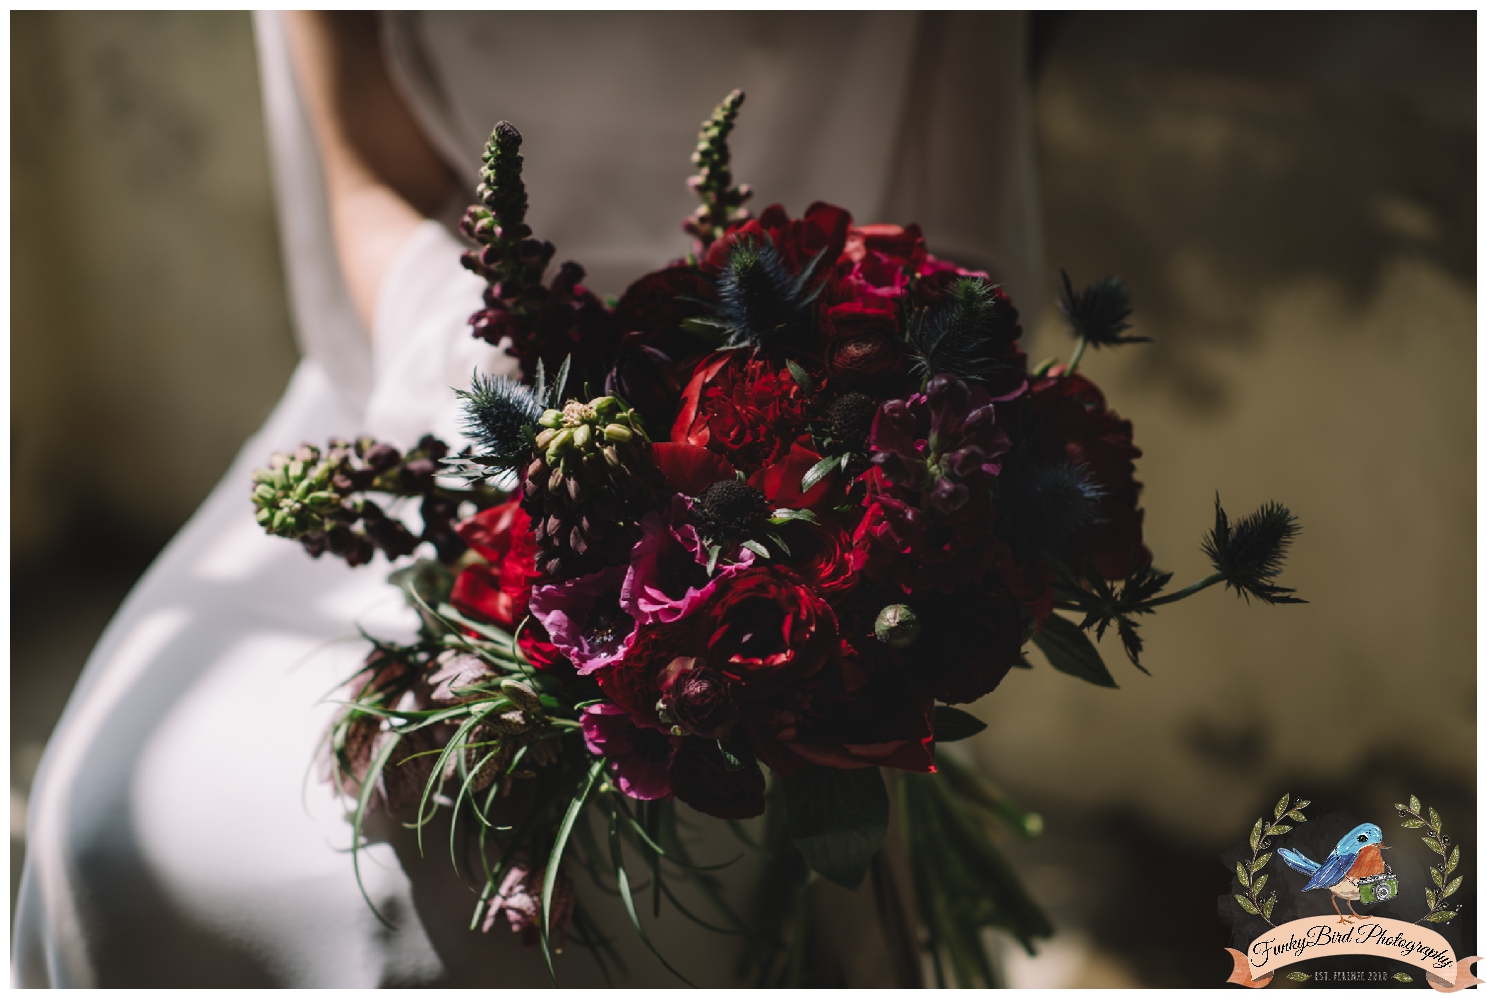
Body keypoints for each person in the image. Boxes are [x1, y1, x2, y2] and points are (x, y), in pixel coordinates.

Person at [13, 12, 1043, 986]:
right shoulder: (455, 385)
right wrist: (497, 403)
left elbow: (952, 249)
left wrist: (821, 458)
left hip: (796, 434)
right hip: (433, 384)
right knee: (106, 837)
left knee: (605, 915)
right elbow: (366, 177)